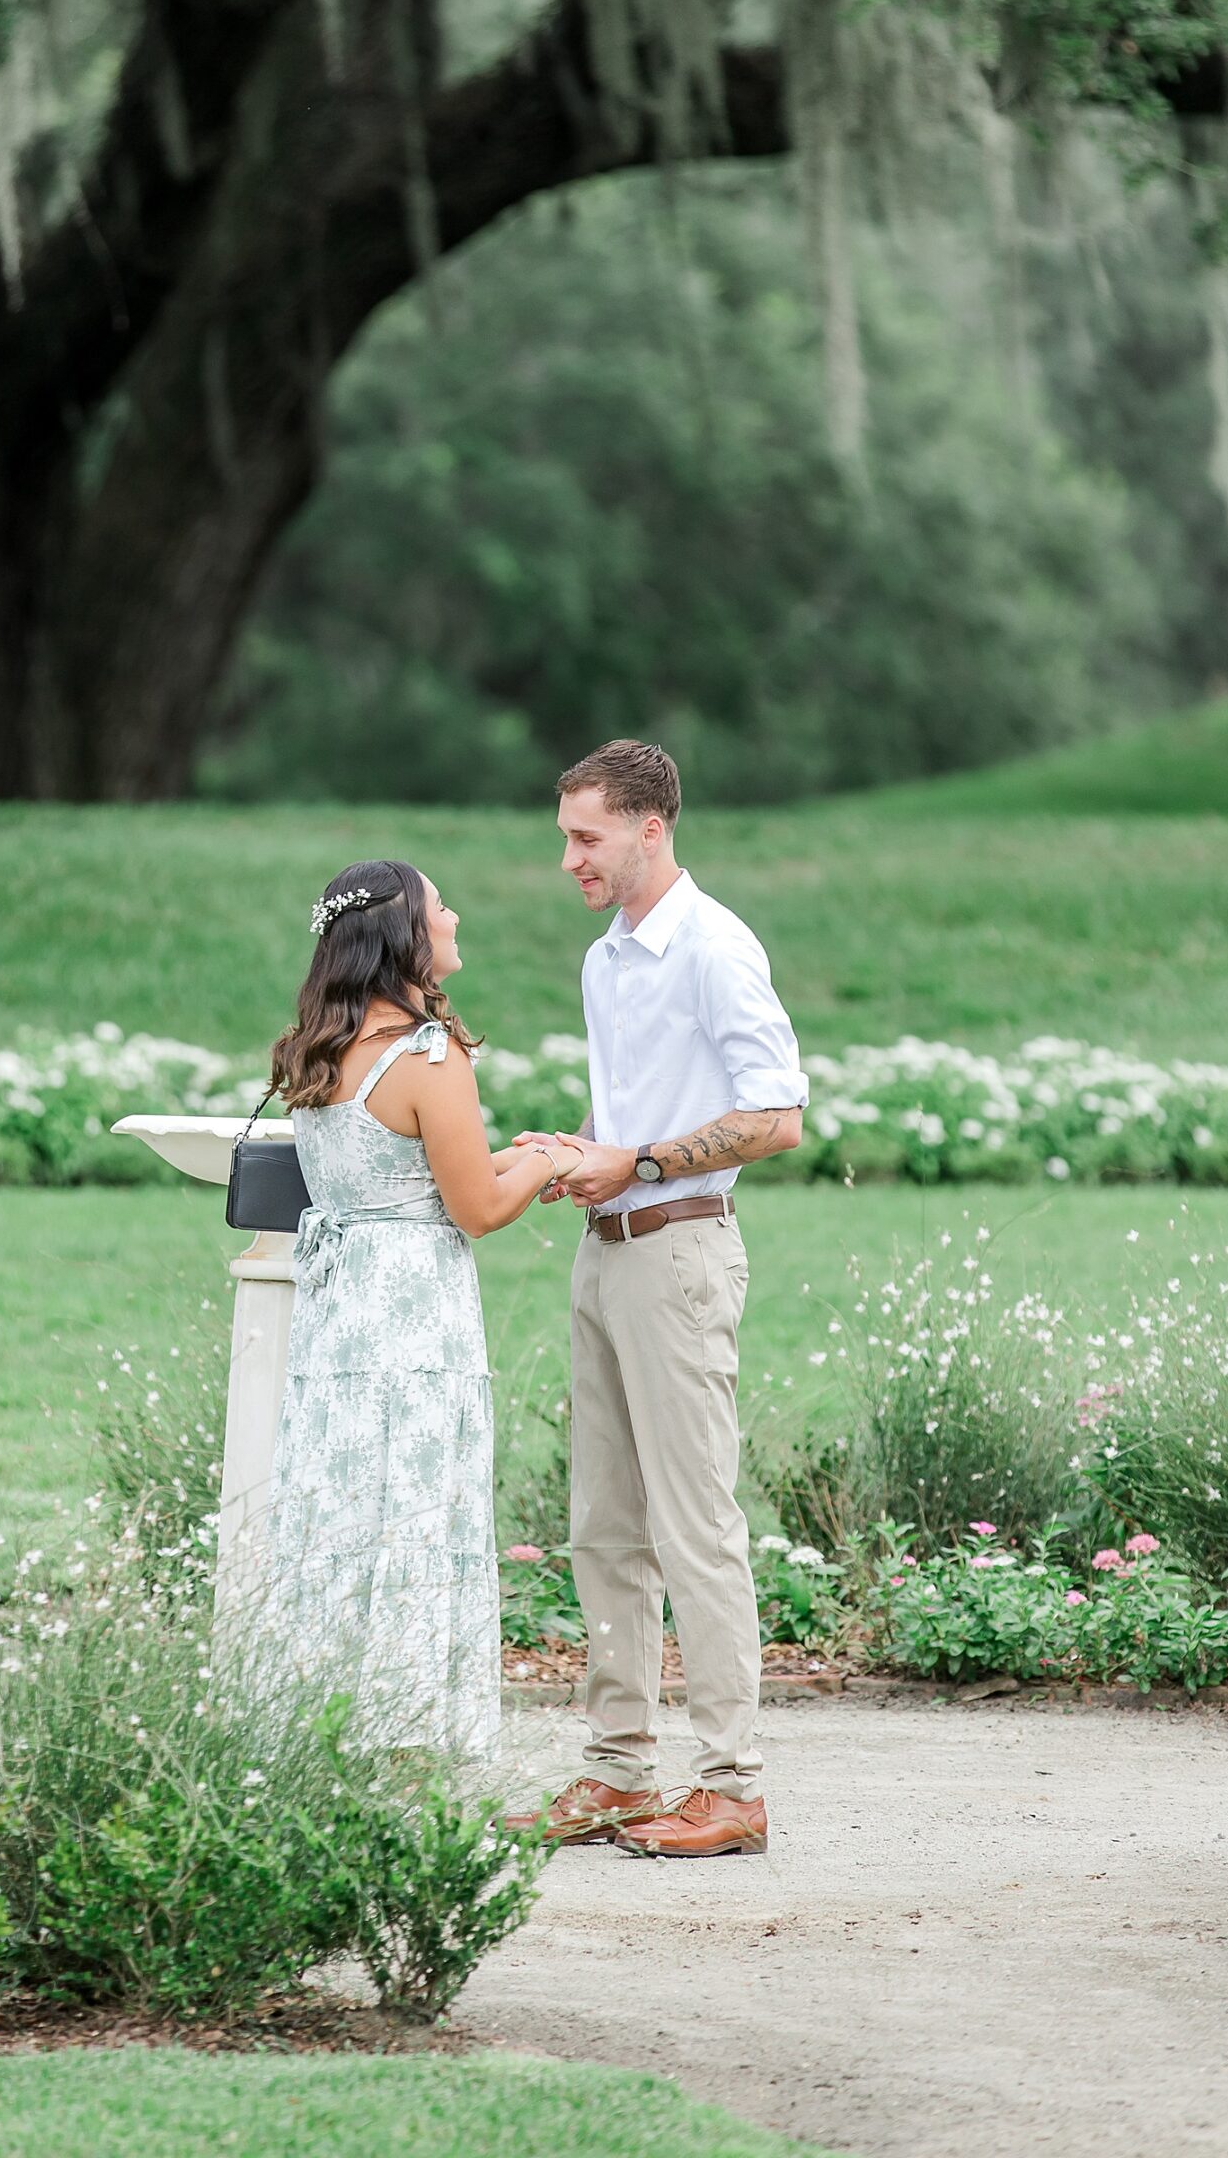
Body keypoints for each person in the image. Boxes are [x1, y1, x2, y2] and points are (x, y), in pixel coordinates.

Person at [506, 741, 808, 1857]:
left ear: (650, 828)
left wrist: (632, 1163)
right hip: (604, 1252)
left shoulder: (716, 948)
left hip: (680, 1253)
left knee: (696, 1529)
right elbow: (636, 1117)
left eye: (584, 838)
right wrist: (584, 1156)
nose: (570, 859)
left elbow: (776, 1117)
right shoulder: (605, 960)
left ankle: (733, 1785)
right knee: (604, 1528)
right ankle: (619, 1770)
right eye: (565, 838)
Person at [261, 857, 564, 1759]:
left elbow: (406, 1185)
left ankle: (321, 1724)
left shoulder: (318, 1051)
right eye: (441, 907)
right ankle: (405, 1734)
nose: (456, 915)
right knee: (416, 1514)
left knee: (342, 1509)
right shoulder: (430, 1057)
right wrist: (552, 1163)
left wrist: (531, 1151)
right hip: (416, 1327)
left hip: (341, 1323)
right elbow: (472, 1210)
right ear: (406, 937)